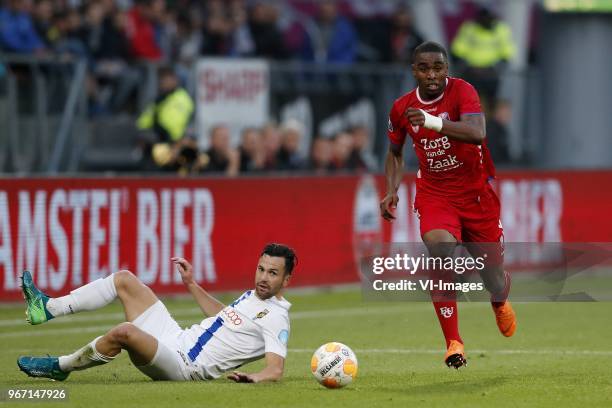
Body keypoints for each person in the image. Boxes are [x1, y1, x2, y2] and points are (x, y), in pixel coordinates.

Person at [380, 41, 516, 369]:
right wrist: (391, 189)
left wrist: (432, 121)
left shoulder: (462, 92)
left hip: (476, 195)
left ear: (447, 69)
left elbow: (477, 132)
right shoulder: (401, 108)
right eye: (424, 68)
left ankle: (498, 300)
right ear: (414, 71)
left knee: (493, 277)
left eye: (438, 68)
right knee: (440, 248)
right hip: (436, 193)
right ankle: (453, 342)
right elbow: (395, 152)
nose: (432, 75)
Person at [17, 243, 297, 383]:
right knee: (125, 279)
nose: (263, 277)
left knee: (124, 332)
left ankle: (60, 367)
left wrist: (255, 377)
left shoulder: (276, 317)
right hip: (175, 338)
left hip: (184, 366)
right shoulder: (253, 296)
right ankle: (47, 308)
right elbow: (223, 317)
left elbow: (276, 368)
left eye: (273, 273)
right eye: (261, 269)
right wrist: (191, 284)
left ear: (286, 280)